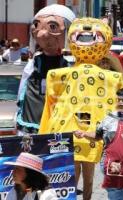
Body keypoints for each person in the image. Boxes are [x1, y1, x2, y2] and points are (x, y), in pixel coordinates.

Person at [39, 18, 123, 200]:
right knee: (88, 178)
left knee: (69, 178)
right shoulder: (113, 78)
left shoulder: (57, 75)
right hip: (93, 135)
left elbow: (49, 109)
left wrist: (43, 136)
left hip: (67, 134)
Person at [16, 4, 76, 135]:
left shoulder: (69, 66)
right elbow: (23, 88)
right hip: (32, 116)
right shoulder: (33, 64)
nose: (43, 34)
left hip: (58, 117)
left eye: (52, 27)